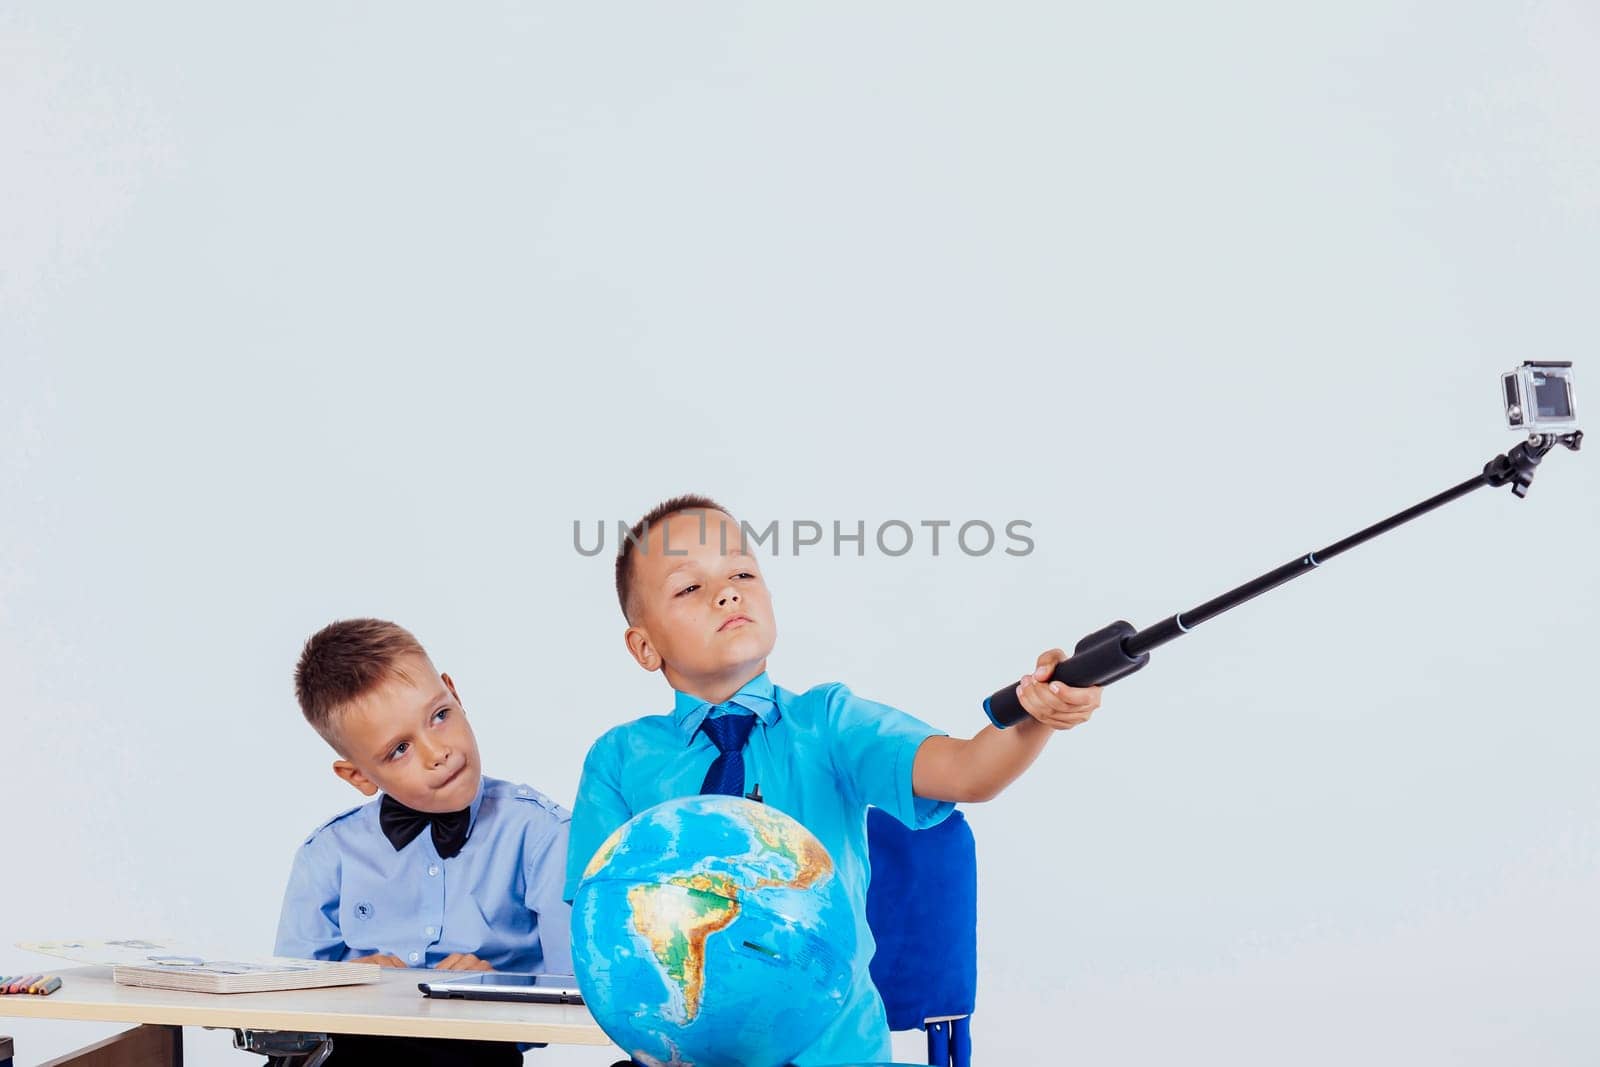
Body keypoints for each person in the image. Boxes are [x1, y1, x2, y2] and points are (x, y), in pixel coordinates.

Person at [568, 497, 1101, 1065]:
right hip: (681, 1051)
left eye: (742, 573)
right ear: (644, 646)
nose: (727, 593)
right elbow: (598, 934)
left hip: (836, 1053)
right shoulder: (619, 759)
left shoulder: (829, 724)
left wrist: (1038, 715)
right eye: (688, 588)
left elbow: (968, 770)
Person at [276, 618, 571, 1066]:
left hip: (469, 1054)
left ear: (455, 692)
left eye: (439, 716)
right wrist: (334, 985)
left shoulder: (543, 836)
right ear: (358, 776)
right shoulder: (328, 855)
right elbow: (280, 1012)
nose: (439, 753)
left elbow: (579, 993)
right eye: (399, 749)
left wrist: (503, 990)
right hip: (346, 1052)